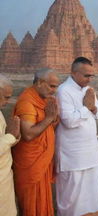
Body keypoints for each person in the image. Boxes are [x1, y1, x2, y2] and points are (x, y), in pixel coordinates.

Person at [55, 57, 98, 216]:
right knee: (72, 198)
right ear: (74, 73)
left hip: (90, 152)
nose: (90, 79)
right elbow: (69, 121)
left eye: (92, 76)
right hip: (73, 155)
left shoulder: (88, 90)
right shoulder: (63, 91)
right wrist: (87, 108)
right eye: (86, 76)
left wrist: (93, 109)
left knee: (93, 195)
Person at [12, 68, 59, 216]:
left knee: (43, 202)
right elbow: (28, 134)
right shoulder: (27, 102)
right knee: (31, 206)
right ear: (39, 82)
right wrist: (49, 118)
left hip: (42, 160)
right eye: (52, 86)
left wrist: (54, 119)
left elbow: (48, 128)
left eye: (56, 86)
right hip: (30, 163)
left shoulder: (45, 100)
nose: (54, 90)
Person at [0, 74, 20, 216]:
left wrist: (13, 136)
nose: (8, 102)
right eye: (6, 97)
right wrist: (11, 136)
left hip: (4, 176)